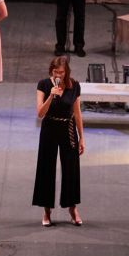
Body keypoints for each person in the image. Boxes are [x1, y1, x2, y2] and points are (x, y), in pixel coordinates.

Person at [32, 56, 85, 227]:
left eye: (61, 72)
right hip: (49, 128)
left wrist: (82, 137)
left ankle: (72, 208)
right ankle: (46, 210)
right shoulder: (43, 85)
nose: (58, 75)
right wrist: (51, 96)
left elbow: (77, 113)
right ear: (51, 71)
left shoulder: (74, 86)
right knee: (46, 168)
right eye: (55, 72)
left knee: (71, 168)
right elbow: (40, 113)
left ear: (66, 72)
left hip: (67, 129)